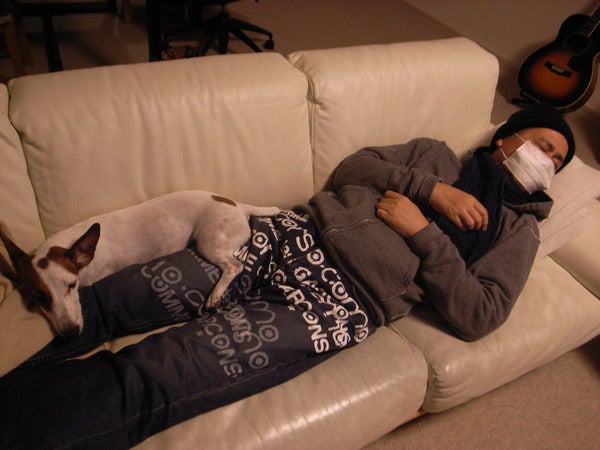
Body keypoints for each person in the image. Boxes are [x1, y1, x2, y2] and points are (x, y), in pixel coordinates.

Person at [0, 103, 575, 449]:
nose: (547, 160)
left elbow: (480, 314)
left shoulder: (517, 231)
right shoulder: (434, 154)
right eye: (544, 144)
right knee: (114, 298)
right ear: (507, 138)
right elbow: (353, 168)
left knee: (157, 373)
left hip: (334, 304)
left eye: (557, 161)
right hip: (281, 234)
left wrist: (424, 232)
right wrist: (431, 189)